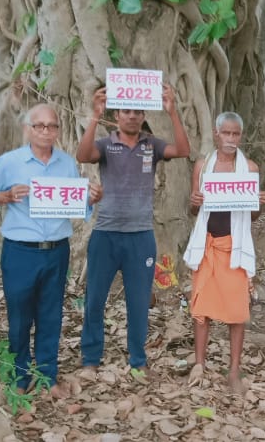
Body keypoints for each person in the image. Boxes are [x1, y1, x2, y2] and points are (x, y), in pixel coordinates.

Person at [0, 104, 103, 398]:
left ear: (58, 130)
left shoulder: (67, 164)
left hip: (56, 251)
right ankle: (20, 376)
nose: (47, 131)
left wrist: (92, 197)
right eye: (40, 126)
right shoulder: (10, 162)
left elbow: (77, 203)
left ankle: (47, 376)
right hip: (20, 252)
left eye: (52, 126)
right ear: (28, 129)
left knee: (51, 316)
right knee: (19, 317)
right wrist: (5, 195)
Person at [76, 83, 191, 375]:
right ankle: (90, 359)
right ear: (117, 115)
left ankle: (138, 360)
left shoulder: (151, 145)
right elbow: (82, 155)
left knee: (139, 303)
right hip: (105, 234)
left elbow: (183, 150)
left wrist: (173, 112)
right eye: (126, 111)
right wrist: (94, 116)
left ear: (143, 115)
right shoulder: (105, 144)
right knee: (94, 300)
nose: (132, 116)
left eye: (138, 111)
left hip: (141, 237)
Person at [182, 112, 265, 393]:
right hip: (207, 243)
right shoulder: (203, 166)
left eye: (236, 134)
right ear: (216, 134)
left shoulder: (250, 169)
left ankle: (233, 370)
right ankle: (199, 364)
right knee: (200, 309)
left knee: (236, 311)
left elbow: (253, 215)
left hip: (234, 245)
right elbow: (194, 209)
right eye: (226, 134)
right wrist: (194, 201)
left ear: (240, 137)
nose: (231, 140)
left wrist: (260, 202)